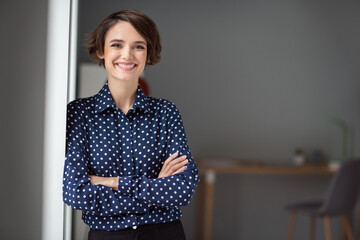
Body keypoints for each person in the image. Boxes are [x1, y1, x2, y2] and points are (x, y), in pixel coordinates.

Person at [62, 10, 199, 240]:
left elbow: (182, 189)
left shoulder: (166, 113)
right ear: (100, 51)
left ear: (148, 54)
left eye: (138, 46)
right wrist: (154, 189)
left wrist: (110, 182)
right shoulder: (79, 114)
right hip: (107, 235)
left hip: (165, 233)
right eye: (117, 44)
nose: (127, 55)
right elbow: (76, 194)